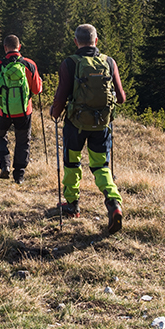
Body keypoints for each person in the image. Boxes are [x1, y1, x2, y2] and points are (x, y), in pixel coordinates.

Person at [49, 24, 126, 233]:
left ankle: (72, 205)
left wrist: (54, 113)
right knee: (101, 166)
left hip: (76, 125)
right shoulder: (109, 62)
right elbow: (121, 98)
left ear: (76, 41)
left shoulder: (70, 63)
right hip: (102, 124)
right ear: (96, 41)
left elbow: (61, 96)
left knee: (72, 162)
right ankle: (113, 202)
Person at [0, 34, 43, 182]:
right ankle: (19, 175)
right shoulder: (29, 64)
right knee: (23, 140)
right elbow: (36, 90)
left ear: (5, 48)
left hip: (3, 111)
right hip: (24, 111)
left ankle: (5, 165)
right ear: (19, 47)